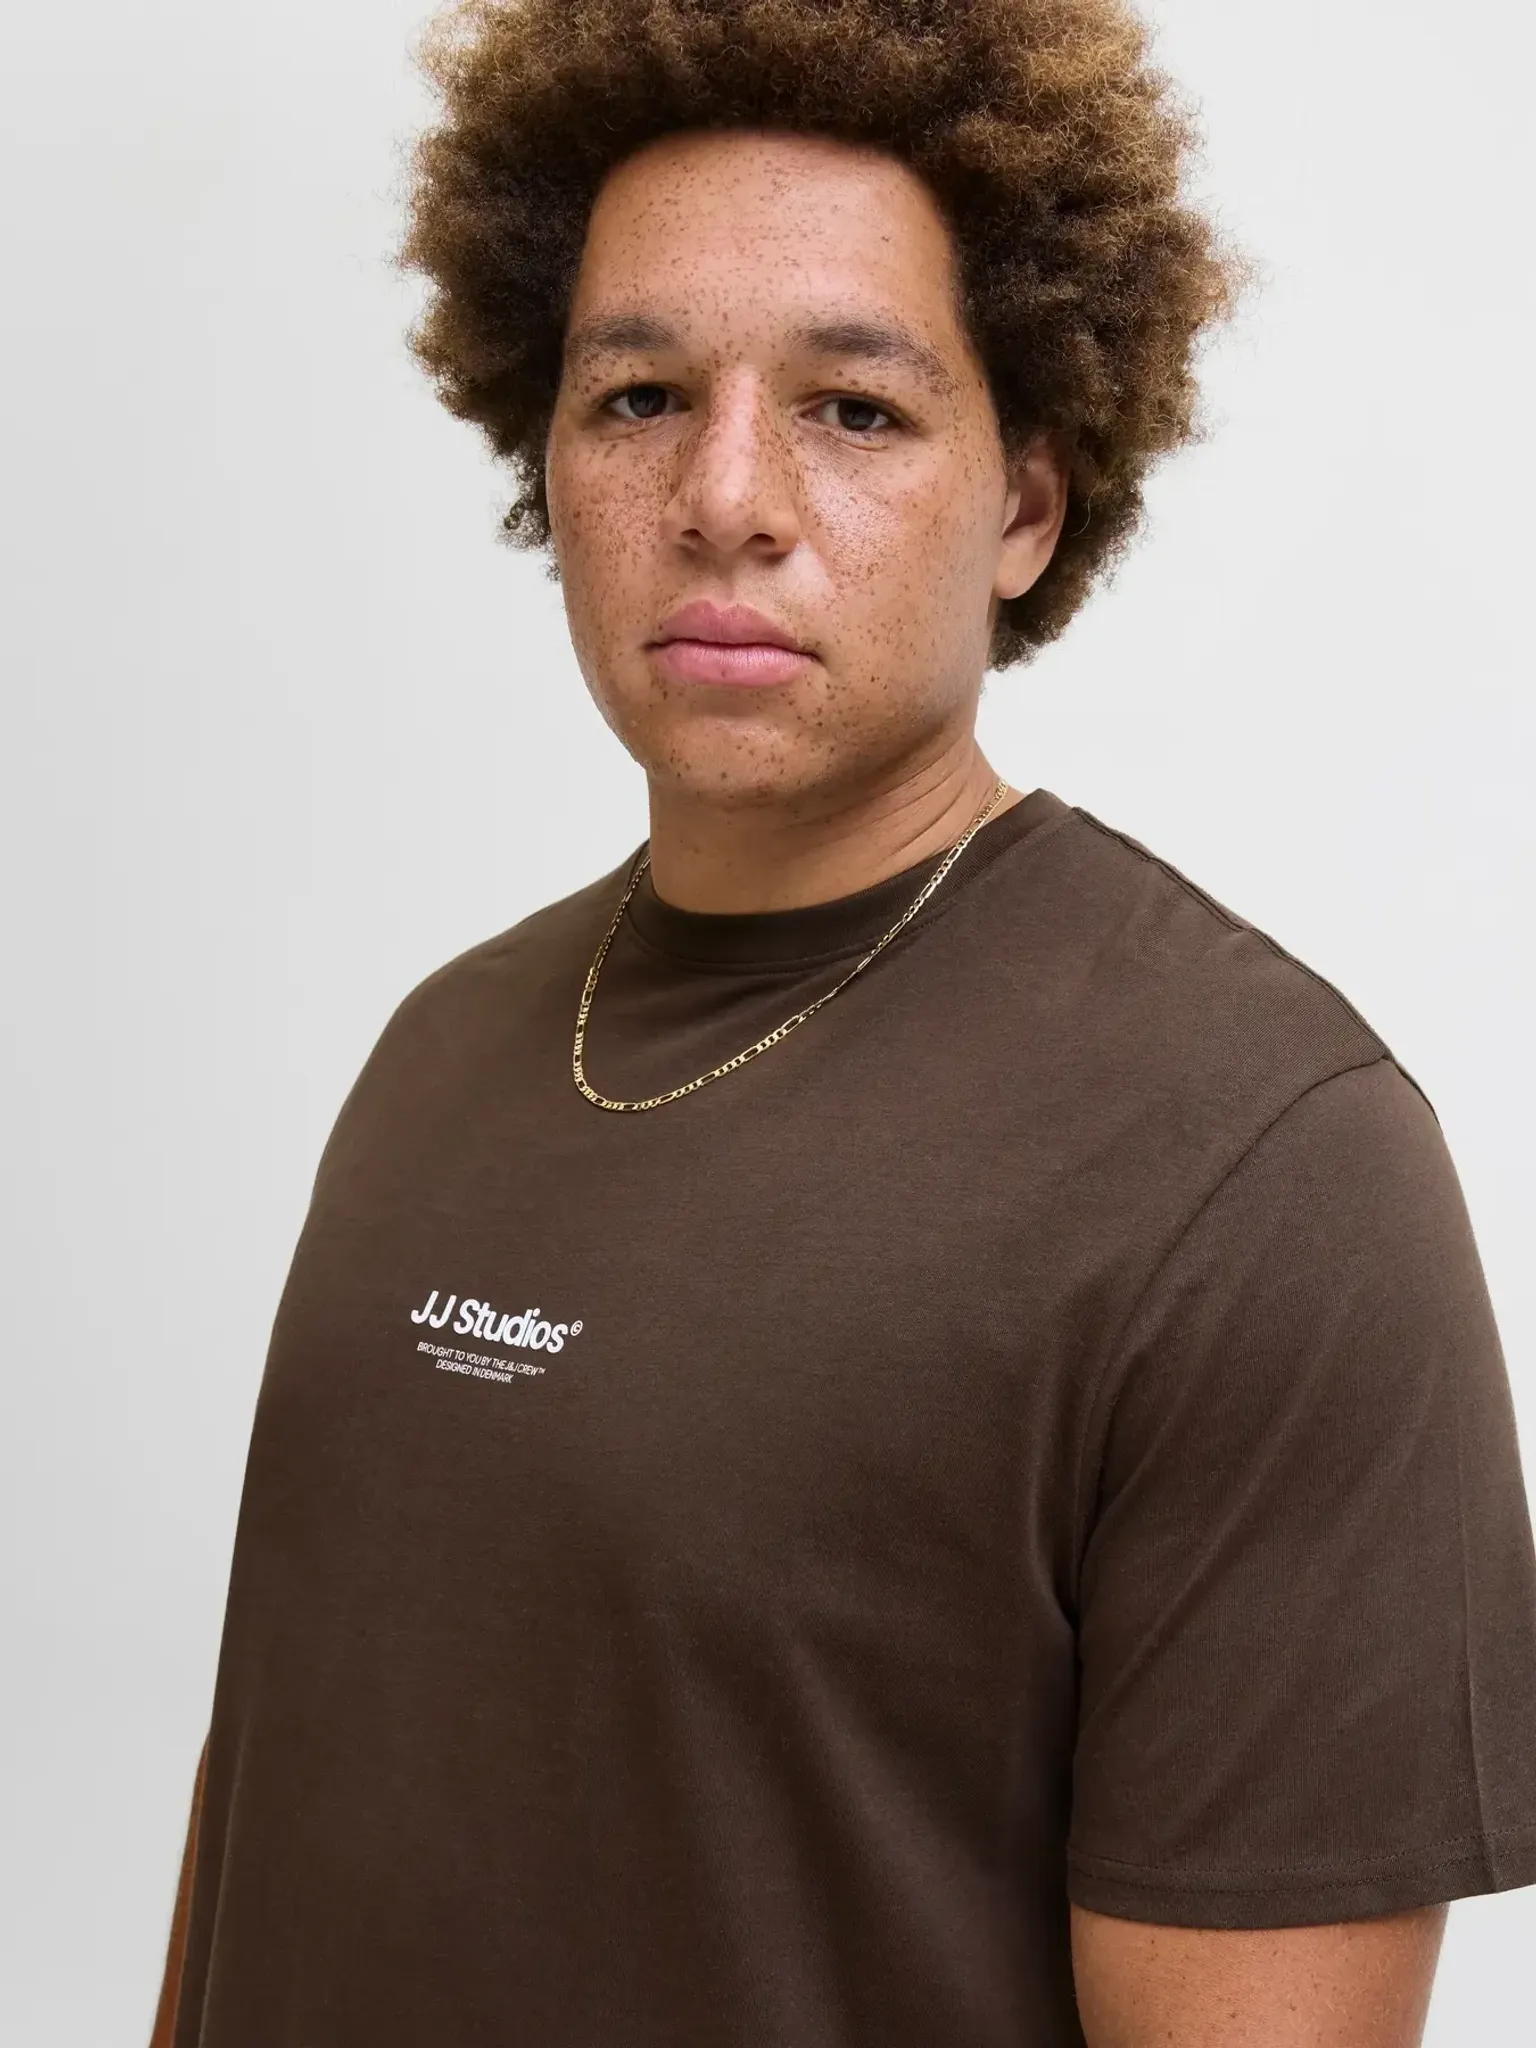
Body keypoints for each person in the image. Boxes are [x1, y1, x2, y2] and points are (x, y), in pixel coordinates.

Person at [151, 2, 1536, 2043]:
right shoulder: (440, 1049)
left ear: (1027, 506)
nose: (726, 496)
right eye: (638, 396)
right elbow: (268, 1796)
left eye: (856, 411)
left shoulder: (1271, 1168)